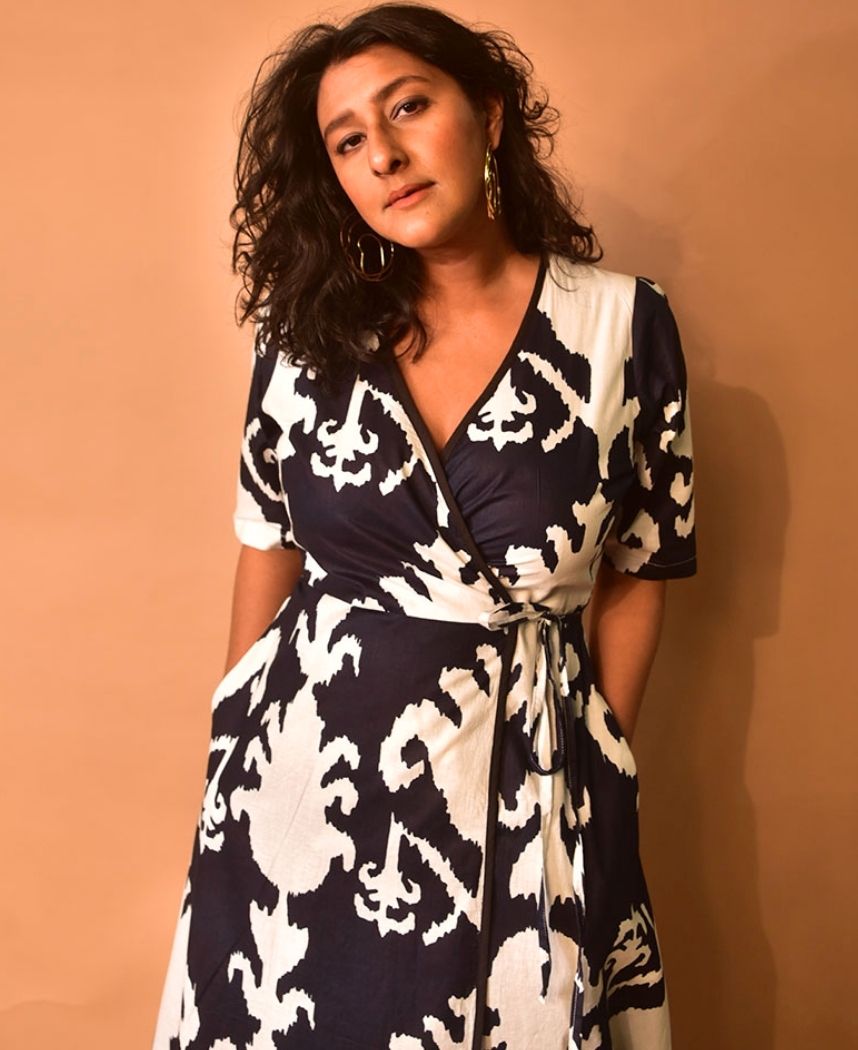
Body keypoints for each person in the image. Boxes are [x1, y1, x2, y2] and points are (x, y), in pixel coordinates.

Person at [151, 3, 697, 1048]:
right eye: (348, 140)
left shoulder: (623, 325)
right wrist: (233, 734)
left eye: (407, 107)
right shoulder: (302, 339)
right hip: (302, 791)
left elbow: (643, 562)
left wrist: (603, 756)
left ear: (487, 115)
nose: (384, 155)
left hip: (528, 780)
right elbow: (268, 540)